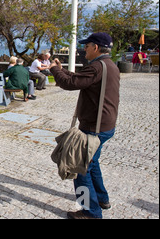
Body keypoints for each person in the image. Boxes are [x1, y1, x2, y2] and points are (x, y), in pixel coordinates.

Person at [49, 32, 120, 219]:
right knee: (92, 162)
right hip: (105, 125)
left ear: (95, 47)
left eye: (86, 46)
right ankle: (102, 199)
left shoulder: (97, 66)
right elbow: (80, 78)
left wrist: (54, 70)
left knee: (80, 169)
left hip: (93, 128)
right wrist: (62, 69)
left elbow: (69, 83)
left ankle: (91, 212)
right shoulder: (108, 65)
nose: (84, 49)